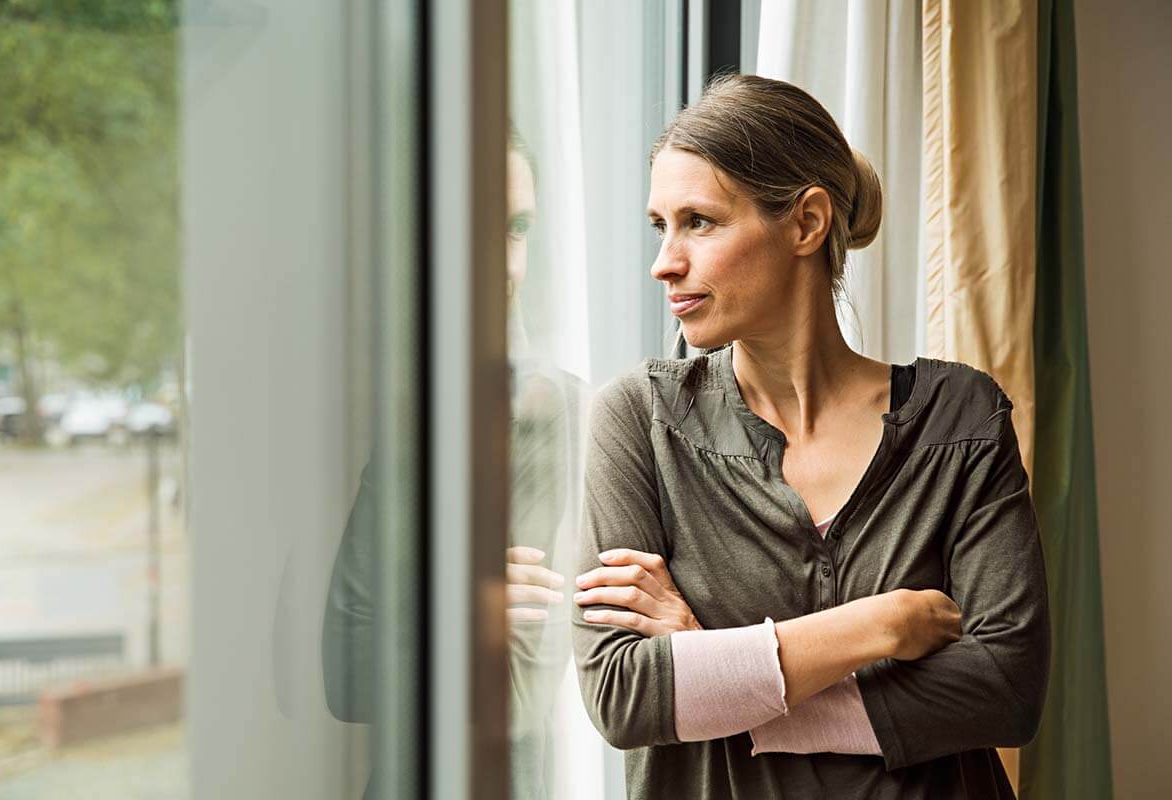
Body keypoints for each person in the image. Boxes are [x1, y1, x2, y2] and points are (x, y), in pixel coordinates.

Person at [570, 74, 1050, 799]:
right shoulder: (638, 421)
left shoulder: (961, 416)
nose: (665, 261)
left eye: (699, 221)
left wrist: (712, 669)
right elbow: (624, 694)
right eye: (659, 225)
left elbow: (1007, 690)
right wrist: (878, 626)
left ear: (806, 223)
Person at [320, 127, 585, 800]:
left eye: (518, 229)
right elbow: (345, 667)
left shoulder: (564, 414)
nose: (504, 263)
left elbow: (522, 692)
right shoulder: (425, 411)